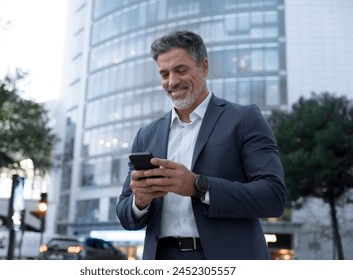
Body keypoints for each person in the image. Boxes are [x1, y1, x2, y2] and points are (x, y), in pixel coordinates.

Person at [116, 30, 286, 260]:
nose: (172, 81)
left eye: (181, 70)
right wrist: (140, 200)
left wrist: (198, 186)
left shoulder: (244, 119)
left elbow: (273, 197)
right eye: (164, 74)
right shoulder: (146, 135)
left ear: (204, 67)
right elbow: (126, 215)